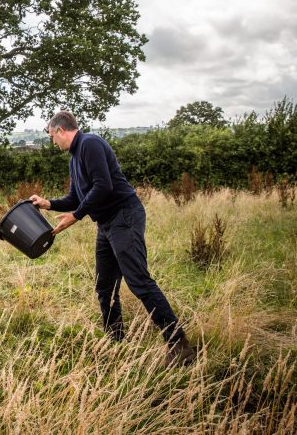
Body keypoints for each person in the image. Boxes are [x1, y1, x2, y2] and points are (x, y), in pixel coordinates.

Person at [29, 111, 196, 366]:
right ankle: (115, 340)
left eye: (52, 136)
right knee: (104, 286)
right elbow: (76, 197)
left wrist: (76, 216)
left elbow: (103, 186)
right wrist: (48, 204)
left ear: (61, 130)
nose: (53, 142)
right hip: (106, 224)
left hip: (124, 215)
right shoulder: (74, 159)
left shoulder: (90, 144)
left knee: (138, 281)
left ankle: (179, 345)